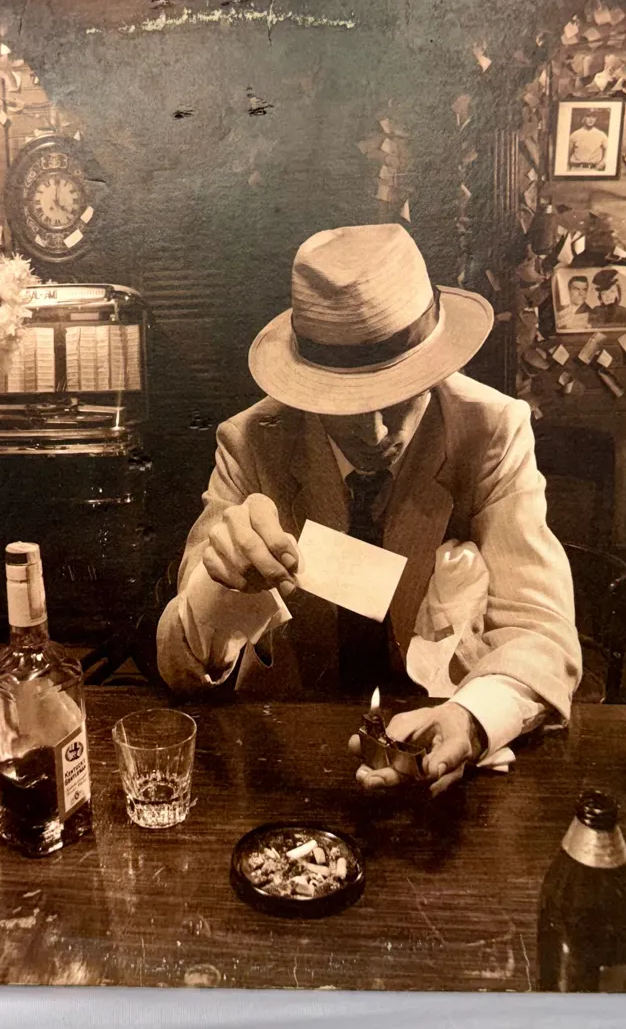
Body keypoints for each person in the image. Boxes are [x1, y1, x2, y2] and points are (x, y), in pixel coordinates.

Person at [156, 224, 581, 798]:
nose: (377, 432)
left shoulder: (492, 430)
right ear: (304, 384)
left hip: (446, 751)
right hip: (286, 761)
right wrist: (223, 586)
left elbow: (542, 630)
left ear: (435, 368)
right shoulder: (251, 440)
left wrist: (472, 718)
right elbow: (178, 664)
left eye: (400, 395)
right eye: (345, 403)